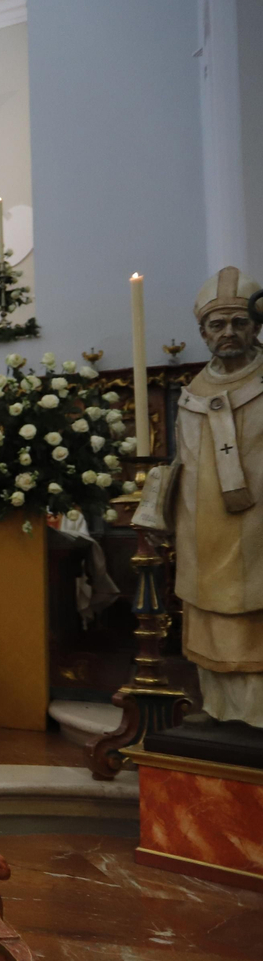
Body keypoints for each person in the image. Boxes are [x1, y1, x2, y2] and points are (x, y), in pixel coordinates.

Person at [166, 267, 263, 726]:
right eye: (217, 324)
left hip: (258, 526)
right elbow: (182, 463)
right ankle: (219, 707)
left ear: (256, 326)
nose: (228, 332)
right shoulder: (192, 394)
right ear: (202, 332)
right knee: (206, 609)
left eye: (238, 322)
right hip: (204, 528)